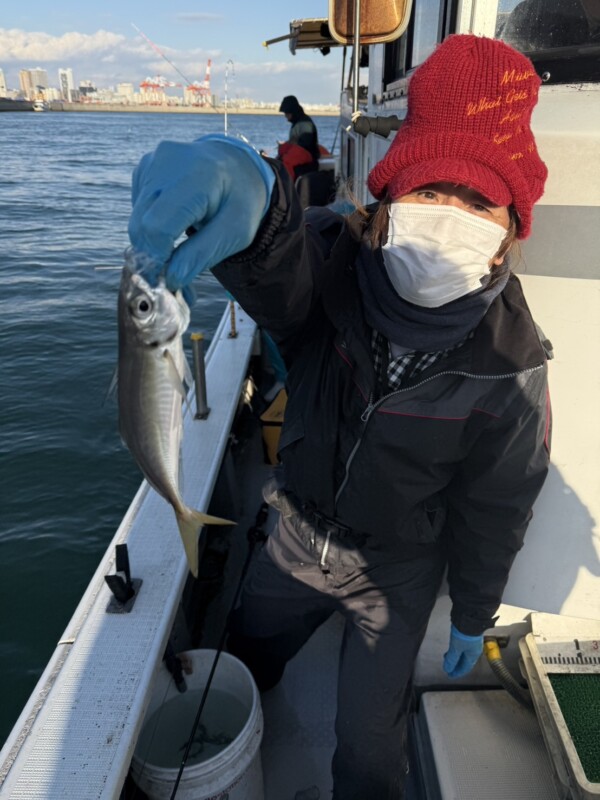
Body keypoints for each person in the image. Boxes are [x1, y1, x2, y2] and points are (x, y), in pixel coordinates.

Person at [127, 34, 551, 799]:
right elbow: (283, 276)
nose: (449, 215)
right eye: (428, 188)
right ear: (386, 203)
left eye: (478, 200)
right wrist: (255, 208)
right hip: (295, 535)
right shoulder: (335, 272)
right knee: (245, 654)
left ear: (507, 233)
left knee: (367, 752)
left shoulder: (511, 366)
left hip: (399, 572)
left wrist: (474, 613)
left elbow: (497, 503)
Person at [277, 94, 320, 179]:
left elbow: (306, 144)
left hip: (308, 158)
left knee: (285, 162)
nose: (285, 115)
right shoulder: (297, 122)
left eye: (286, 113)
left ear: (292, 112)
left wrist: (291, 144)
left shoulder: (305, 123)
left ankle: (287, 186)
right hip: (301, 154)